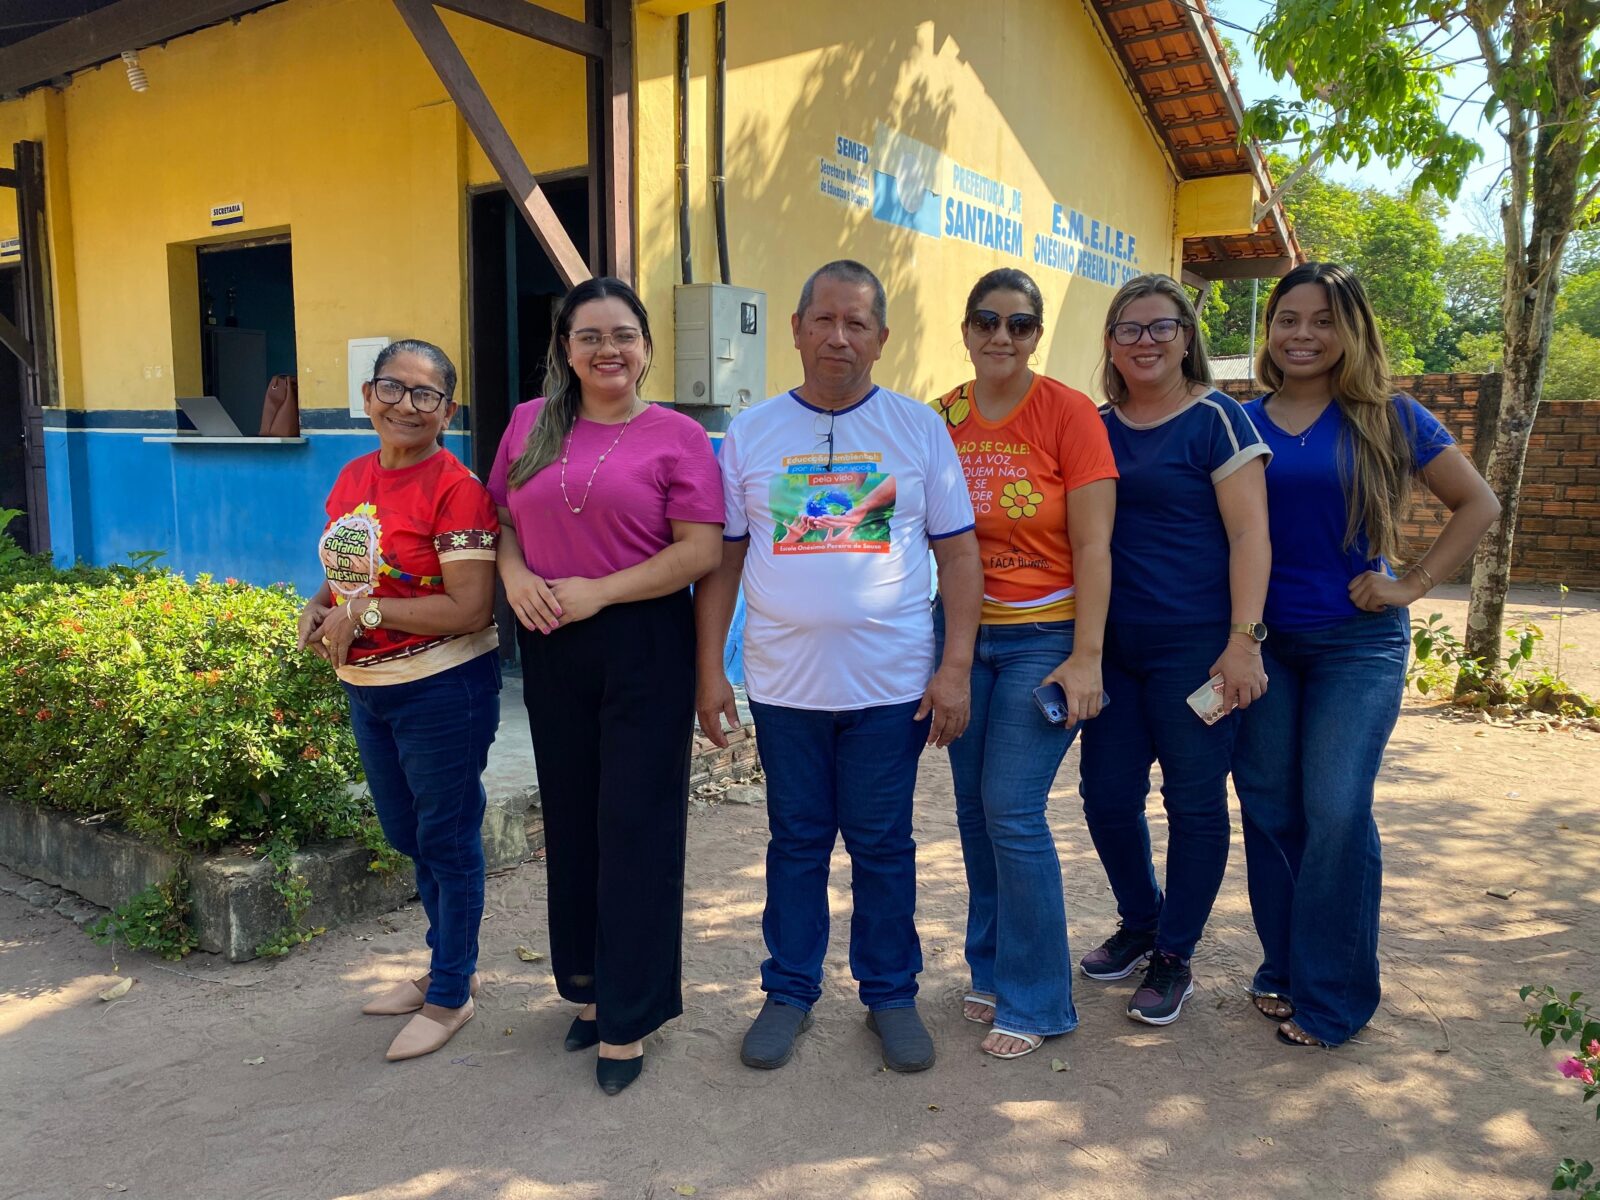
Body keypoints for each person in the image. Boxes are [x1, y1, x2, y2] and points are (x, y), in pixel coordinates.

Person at [696, 259, 983, 1074]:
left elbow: (960, 556)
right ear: (795, 329)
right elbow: (725, 559)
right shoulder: (752, 433)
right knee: (796, 843)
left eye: (857, 323)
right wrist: (710, 669)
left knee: (883, 845)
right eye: (823, 319)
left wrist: (955, 668)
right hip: (784, 689)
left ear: (881, 338)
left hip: (891, 690)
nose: (838, 337)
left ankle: (890, 995)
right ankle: (789, 991)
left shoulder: (918, 429)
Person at [1234, 262, 1500, 1049]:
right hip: (1261, 645)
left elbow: (1478, 502)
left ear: (1352, 331)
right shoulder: (1236, 421)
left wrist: (1412, 582)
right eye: (1288, 319)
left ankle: (1335, 998)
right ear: (1269, 330)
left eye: (1324, 320)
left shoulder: (1391, 416)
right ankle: (1285, 968)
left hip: (1356, 644)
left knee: (1337, 810)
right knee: (1271, 809)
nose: (1303, 335)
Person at [488, 276, 724, 1095]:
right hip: (550, 639)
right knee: (575, 820)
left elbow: (699, 550)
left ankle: (631, 1015)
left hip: (642, 640)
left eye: (623, 334)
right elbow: (503, 521)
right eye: (588, 335)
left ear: (646, 347)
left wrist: (601, 592)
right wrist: (515, 576)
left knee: (636, 825)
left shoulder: (678, 437)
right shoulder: (529, 423)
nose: (607, 349)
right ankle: (589, 988)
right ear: (566, 348)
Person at [297, 338, 501, 1063]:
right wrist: (319, 605)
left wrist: (367, 615)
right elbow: (351, 573)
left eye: (425, 395)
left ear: (448, 410)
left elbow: (470, 608)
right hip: (370, 691)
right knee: (409, 833)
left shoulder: (457, 489)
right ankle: (446, 965)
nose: (405, 405)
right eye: (392, 387)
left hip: (443, 689)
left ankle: (450, 993)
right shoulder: (353, 475)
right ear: (367, 396)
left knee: (447, 837)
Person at [1076, 273, 1272, 1027]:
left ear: (1187, 337)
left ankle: (1174, 954)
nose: (1146, 341)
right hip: (1112, 649)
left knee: (1193, 802)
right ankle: (1141, 920)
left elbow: (1250, 535)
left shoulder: (1217, 419)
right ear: (1110, 342)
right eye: (1129, 328)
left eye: (1163, 327)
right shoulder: (1094, 425)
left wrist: (1243, 641)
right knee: (1106, 797)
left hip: (1196, 650)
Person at [931, 268, 1117, 1059]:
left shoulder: (1068, 413)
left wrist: (1087, 658)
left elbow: (1094, 546)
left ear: (1036, 335)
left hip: (1045, 637)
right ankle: (992, 967)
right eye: (986, 320)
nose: (1001, 336)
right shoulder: (942, 415)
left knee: (1011, 809)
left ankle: (1038, 1000)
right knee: (975, 811)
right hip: (963, 637)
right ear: (966, 330)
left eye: (1019, 323)